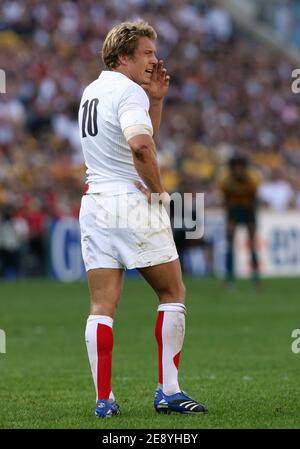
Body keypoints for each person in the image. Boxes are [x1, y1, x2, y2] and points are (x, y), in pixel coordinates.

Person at [78, 21, 208, 418]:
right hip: (130, 202)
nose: (155, 59)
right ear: (123, 57)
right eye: (148, 53)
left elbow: (135, 138)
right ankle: (168, 391)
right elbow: (140, 147)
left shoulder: (92, 91)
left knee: (102, 306)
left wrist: (157, 101)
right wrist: (160, 192)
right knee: (173, 293)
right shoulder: (128, 90)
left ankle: (104, 400)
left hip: (94, 204)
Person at [219, 155, 261, 285]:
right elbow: (224, 197)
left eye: (240, 167)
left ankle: (255, 277)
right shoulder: (226, 180)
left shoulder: (252, 178)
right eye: (235, 167)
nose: (238, 170)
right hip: (234, 211)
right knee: (230, 243)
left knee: (252, 243)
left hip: (248, 211)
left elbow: (255, 196)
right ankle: (229, 277)